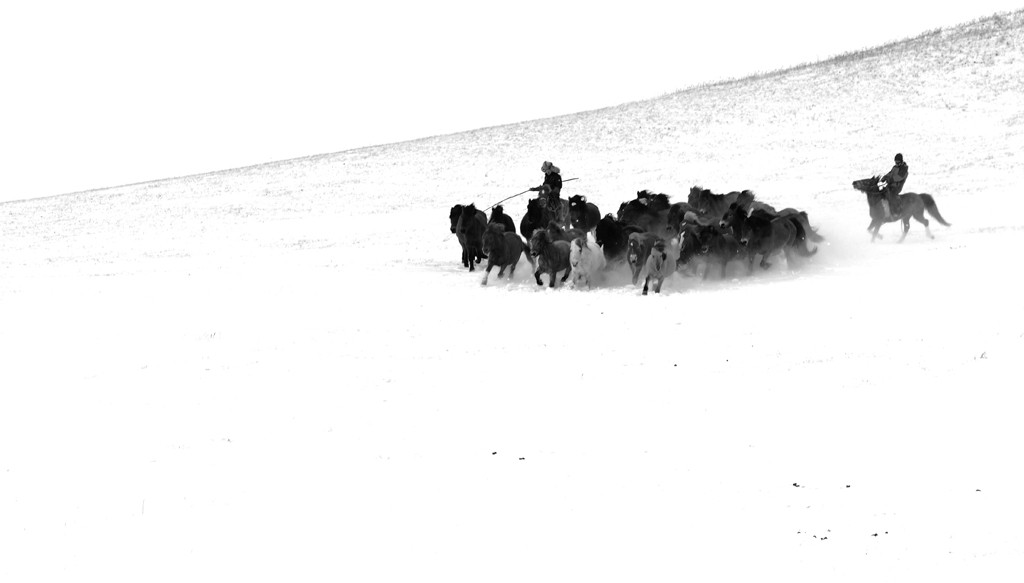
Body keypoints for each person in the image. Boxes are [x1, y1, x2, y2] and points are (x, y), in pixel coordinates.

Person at [880, 153, 909, 219]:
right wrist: (885, 177)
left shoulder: (904, 168)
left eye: (898, 162)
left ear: (901, 161)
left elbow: (899, 177)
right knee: (881, 192)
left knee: (891, 195)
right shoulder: (895, 167)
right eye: (896, 162)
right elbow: (890, 173)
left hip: (897, 186)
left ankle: (895, 211)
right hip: (890, 185)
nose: (896, 163)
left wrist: (890, 179)